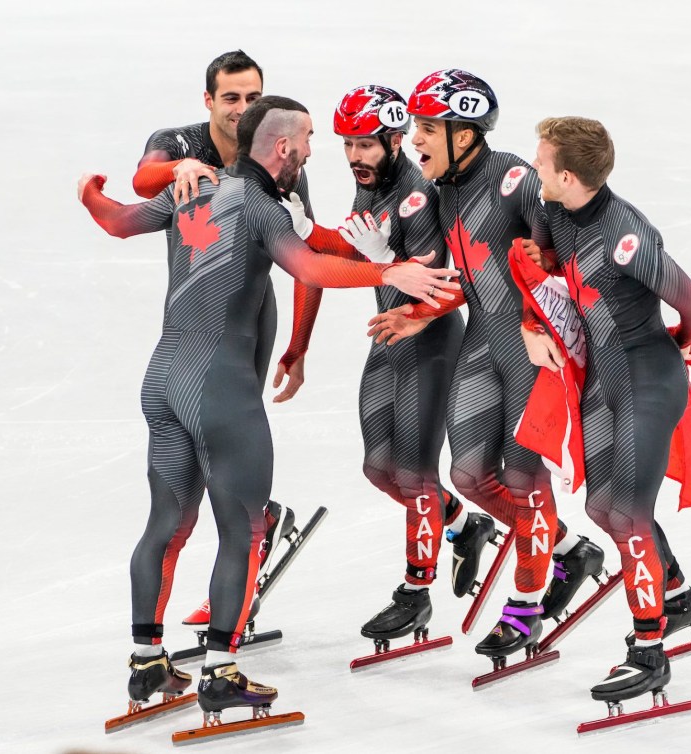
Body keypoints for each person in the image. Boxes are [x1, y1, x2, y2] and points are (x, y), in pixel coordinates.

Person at [78, 95, 461, 717]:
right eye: (307, 139)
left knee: (165, 525)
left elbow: (117, 221)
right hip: (221, 389)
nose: (312, 150)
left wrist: (88, 190)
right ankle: (220, 672)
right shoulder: (261, 207)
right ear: (282, 147)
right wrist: (390, 274)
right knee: (244, 531)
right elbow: (310, 267)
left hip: (163, 379)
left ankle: (146, 663)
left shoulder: (194, 190)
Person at [366, 70, 603, 662]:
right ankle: (566, 549)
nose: (415, 140)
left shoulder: (515, 178)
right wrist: (420, 314)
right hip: (482, 342)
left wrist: (563, 326)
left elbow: (568, 252)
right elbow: (468, 277)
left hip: (531, 351)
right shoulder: (444, 189)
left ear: (465, 133)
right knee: (470, 476)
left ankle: (524, 609)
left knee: (524, 480)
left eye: (427, 128)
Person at [273, 84, 483, 644]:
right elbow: (348, 249)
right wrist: (308, 234)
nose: (354, 156)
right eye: (347, 144)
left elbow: (437, 282)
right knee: (378, 468)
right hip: (389, 337)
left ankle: (416, 593)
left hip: (429, 339)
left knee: (414, 475)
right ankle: (463, 524)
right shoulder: (370, 184)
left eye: (365, 144)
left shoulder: (419, 194)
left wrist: (386, 259)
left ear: (394, 140)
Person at [523, 116, 691, 704]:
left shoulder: (625, 235)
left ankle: (649, 653)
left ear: (569, 176)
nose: (535, 167)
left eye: (542, 161)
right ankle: (677, 596)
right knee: (603, 507)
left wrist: (681, 340)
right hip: (604, 379)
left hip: (648, 380)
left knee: (628, 512)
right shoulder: (556, 208)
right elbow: (548, 260)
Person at [130, 50, 314, 631]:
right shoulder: (180, 142)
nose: (242, 108)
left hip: (250, 315)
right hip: (195, 317)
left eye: (253, 97)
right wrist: (176, 169)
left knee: (232, 438)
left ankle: (251, 535)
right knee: (200, 445)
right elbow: (141, 180)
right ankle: (261, 523)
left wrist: (299, 345)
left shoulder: (278, 153)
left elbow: (307, 258)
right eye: (230, 97)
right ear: (208, 100)